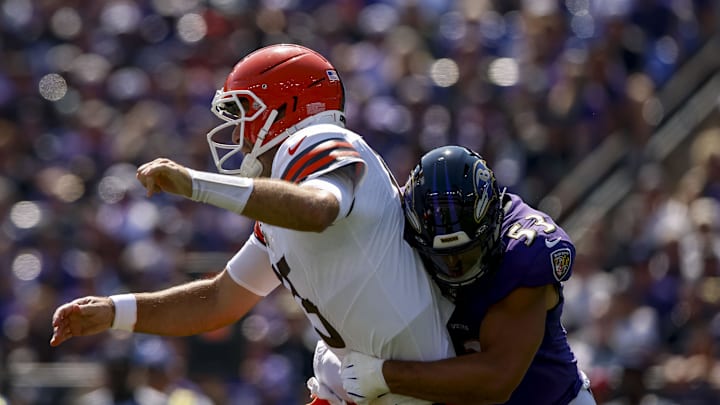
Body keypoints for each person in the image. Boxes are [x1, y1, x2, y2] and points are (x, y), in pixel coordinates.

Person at [49, 44, 455, 405]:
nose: (238, 133)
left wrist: (195, 184)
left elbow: (319, 209)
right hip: (380, 384)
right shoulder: (282, 204)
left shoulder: (312, 140)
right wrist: (113, 312)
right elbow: (220, 299)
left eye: (243, 112)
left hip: (418, 388)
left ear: (288, 107)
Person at [337, 145, 596, 404]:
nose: (454, 267)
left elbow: (497, 380)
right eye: (442, 257)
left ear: (493, 225)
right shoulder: (403, 226)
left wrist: (382, 375)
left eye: (465, 255)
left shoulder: (525, 253)